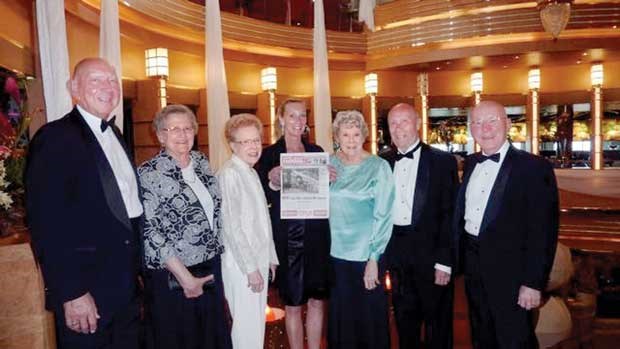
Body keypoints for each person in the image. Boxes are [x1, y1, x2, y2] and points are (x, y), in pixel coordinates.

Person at [25, 58, 143, 348]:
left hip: (126, 286)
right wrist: (72, 293)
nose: (108, 87)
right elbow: (46, 222)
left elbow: (127, 209)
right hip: (87, 290)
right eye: (96, 80)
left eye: (112, 80)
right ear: (73, 88)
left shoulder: (115, 134)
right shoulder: (54, 137)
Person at [454, 100, 559, 348]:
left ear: (508, 124)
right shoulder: (470, 163)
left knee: (515, 340)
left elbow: (543, 231)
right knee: (482, 337)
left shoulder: (534, 167)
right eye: (478, 122)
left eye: (492, 120)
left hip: (513, 275)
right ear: (471, 129)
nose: (485, 128)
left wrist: (533, 283)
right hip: (474, 270)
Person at [138, 104, 232, 349]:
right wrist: (186, 278)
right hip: (175, 275)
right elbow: (151, 231)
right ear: (160, 136)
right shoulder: (149, 173)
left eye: (187, 128)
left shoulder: (201, 163)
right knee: (182, 339)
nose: (182, 134)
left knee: (211, 337)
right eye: (174, 129)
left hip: (210, 266)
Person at [380, 103, 458, 349]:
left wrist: (445, 261)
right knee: (404, 323)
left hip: (433, 255)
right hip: (397, 256)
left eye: (404, 121)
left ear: (417, 124)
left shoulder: (442, 161)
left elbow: (451, 215)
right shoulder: (381, 162)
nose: (398, 128)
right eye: (393, 123)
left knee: (438, 325)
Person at [256, 99, 331, 349]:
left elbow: (326, 197)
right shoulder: (268, 156)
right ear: (280, 119)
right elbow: (259, 200)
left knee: (318, 301)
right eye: (292, 116)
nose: (298, 121)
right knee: (293, 303)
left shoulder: (316, 152)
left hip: (318, 238)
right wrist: (272, 181)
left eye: (302, 116)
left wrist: (330, 179)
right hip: (288, 241)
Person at [328, 110, 395, 349]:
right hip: (335, 257)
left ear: (364, 135)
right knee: (342, 321)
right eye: (345, 134)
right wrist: (317, 180)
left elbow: (384, 216)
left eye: (356, 134)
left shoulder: (379, 167)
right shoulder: (328, 163)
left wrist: (374, 259)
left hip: (366, 256)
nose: (351, 139)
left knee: (369, 321)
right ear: (337, 136)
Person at [218, 113, 279, 349]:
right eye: (246, 142)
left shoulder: (250, 171)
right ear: (232, 145)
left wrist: (270, 258)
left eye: (256, 140)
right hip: (242, 266)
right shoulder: (230, 174)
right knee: (246, 330)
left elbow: (262, 221)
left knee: (254, 326)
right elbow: (232, 227)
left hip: (257, 260)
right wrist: (251, 269)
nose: (253, 147)